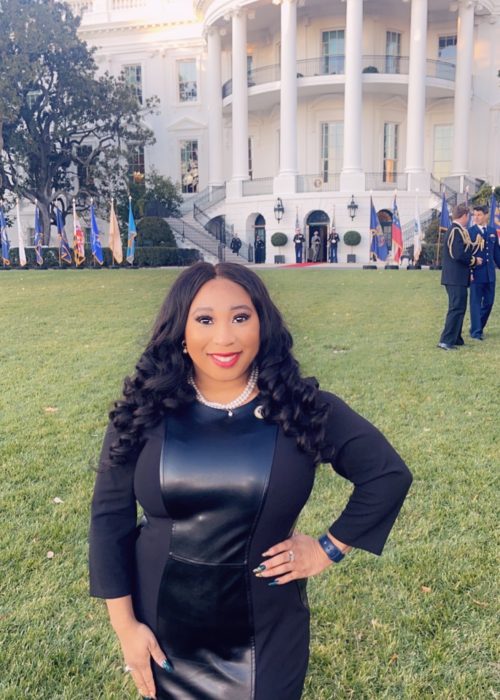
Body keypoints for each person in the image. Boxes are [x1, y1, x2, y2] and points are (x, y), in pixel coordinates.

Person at [89, 262, 412, 700]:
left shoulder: (301, 408)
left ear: (263, 324)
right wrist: (125, 627)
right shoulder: (143, 411)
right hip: (166, 633)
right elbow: (110, 520)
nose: (224, 337)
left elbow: (386, 475)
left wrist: (326, 549)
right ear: (180, 332)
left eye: (241, 317)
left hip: (267, 635)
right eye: (205, 319)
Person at [438, 203, 482, 350]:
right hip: (454, 277)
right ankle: (446, 340)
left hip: (457, 277)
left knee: (460, 307)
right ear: (464, 216)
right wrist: (474, 261)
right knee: (456, 308)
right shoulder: (455, 231)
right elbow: (457, 254)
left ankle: (456, 337)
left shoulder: (457, 230)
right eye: (468, 216)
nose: (469, 219)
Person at [468, 204, 500, 340]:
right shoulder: (470, 232)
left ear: (486, 215)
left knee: (489, 303)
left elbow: (497, 253)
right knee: (475, 303)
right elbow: (467, 253)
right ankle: (476, 332)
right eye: (474, 215)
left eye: (479, 215)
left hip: (490, 274)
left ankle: (477, 326)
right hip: (476, 274)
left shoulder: (492, 231)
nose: (476, 217)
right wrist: (469, 272)